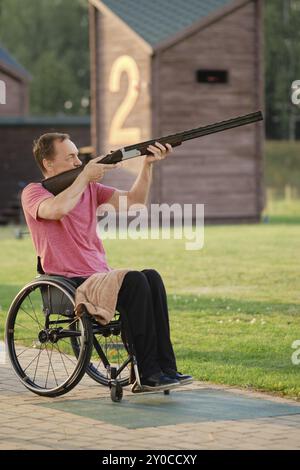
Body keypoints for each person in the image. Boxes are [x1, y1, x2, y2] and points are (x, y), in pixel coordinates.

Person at [21, 133, 193, 392]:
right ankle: (146, 375)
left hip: (101, 277)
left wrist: (147, 165)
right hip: (70, 282)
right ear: (48, 164)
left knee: (152, 277)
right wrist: (85, 177)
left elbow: (135, 202)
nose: (79, 162)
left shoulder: (89, 188)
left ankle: (165, 369)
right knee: (135, 280)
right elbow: (57, 210)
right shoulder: (34, 192)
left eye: (79, 156)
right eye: (70, 157)